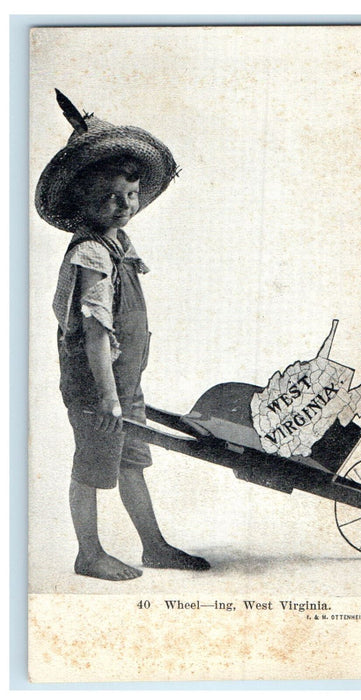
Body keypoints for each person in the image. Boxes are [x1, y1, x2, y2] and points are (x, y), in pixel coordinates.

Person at [35, 91, 210, 580]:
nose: (123, 205)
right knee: (91, 466)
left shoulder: (119, 245)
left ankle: (153, 546)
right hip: (97, 386)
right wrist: (109, 397)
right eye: (109, 197)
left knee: (131, 461)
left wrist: (124, 390)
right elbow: (94, 333)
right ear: (83, 200)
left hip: (123, 383)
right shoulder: (90, 254)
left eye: (130, 195)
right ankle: (88, 553)